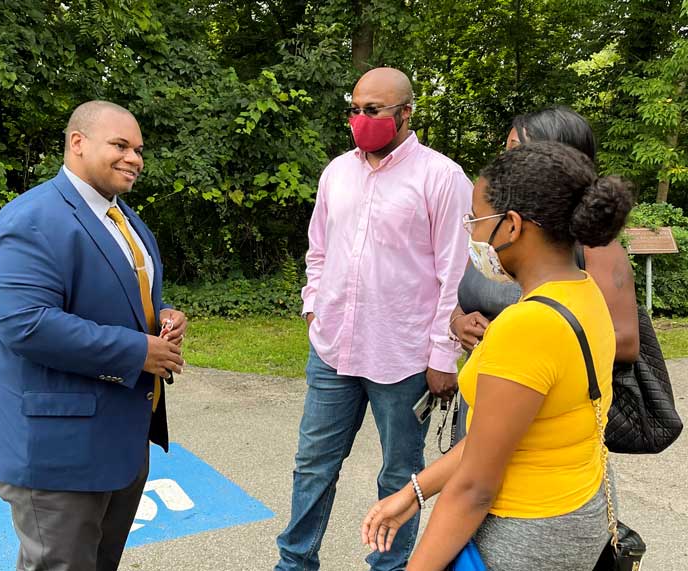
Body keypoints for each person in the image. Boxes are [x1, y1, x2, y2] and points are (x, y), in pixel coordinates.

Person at [361, 141, 634, 571]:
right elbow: (501, 434)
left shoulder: (525, 326)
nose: (470, 232)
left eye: (474, 220)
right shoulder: (585, 294)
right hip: (575, 518)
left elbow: (475, 488)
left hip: (522, 538)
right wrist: (414, 492)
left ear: (511, 226)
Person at [0, 100, 187, 571]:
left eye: (139, 149)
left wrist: (165, 315)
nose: (135, 158)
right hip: (56, 450)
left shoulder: (124, 219)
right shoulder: (29, 221)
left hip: (117, 439)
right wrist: (138, 350)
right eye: (120, 145)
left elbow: (134, 295)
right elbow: (25, 323)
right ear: (77, 143)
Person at [274, 67, 472, 571]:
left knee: (401, 474)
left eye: (374, 110)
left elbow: (454, 274)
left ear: (406, 113)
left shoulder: (442, 177)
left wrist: (443, 354)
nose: (361, 119)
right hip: (333, 348)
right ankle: (294, 563)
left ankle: (390, 568)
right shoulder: (337, 171)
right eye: (355, 109)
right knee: (312, 466)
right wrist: (313, 305)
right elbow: (318, 249)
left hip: (403, 356)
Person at [449, 106, 639, 440]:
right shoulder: (496, 231)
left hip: (541, 417)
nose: (505, 161)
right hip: (483, 398)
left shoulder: (590, 246)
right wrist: (459, 323)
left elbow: (622, 340)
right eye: (506, 149)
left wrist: (511, 338)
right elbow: (463, 297)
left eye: (518, 150)